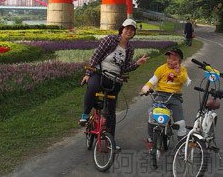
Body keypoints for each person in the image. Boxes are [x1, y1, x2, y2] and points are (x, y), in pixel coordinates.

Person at [79, 18, 149, 149]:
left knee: (111, 110)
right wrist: (88, 74)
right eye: (127, 28)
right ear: (121, 29)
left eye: (132, 30)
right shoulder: (110, 40)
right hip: (100, 74)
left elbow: (126, 68)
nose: (129, 31)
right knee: (92, 87)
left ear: (134, 33)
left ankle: (110, 141)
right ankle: (85, 115)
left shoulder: (130, 49)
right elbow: (96, 56)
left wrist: (137, 64)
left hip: (115, 79)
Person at [140, 48, 190, 148]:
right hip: (160, 95)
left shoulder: (182, 70)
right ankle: (151, 138)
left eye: (174, 59)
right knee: (152, 116)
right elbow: (153, 80)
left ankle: (182, 147)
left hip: (175, 97)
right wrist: (147, 87)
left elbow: (187, 82)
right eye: (169, 58)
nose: (170, 61)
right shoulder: (162, 68)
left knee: (181, 124)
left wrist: (179, 73)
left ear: (179, 61)